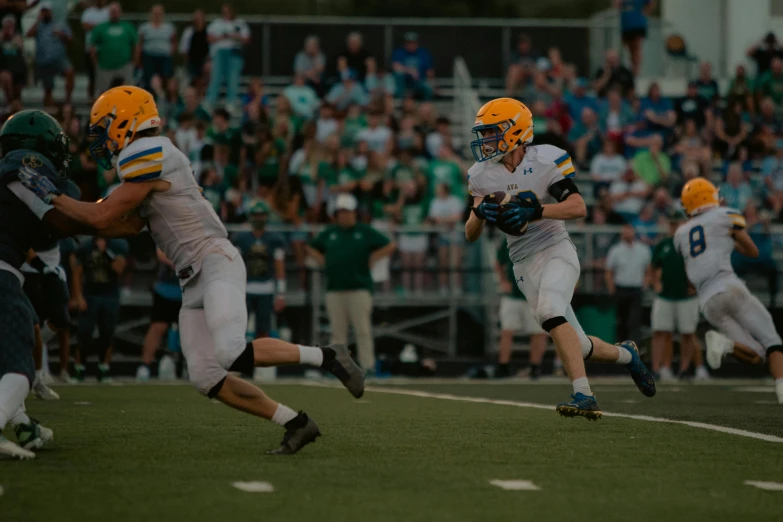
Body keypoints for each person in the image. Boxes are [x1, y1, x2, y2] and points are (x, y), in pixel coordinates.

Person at [18, 87, 366, 455]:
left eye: (104, 126)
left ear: (125, 120)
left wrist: (51, 197)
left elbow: (103, 215)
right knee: (206, 376)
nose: (101, 138)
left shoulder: (144, 150)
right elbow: (122, 225)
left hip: (214, 259)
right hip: (192, 278)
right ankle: (296, 423)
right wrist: (60, 217)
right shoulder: (146, 159)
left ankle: (328, 356)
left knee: (230, 351)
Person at [466, 97, 656, 420]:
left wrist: (537, 211)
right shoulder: (482, 174)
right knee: (578, 346)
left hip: (556, 248)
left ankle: (584, 395)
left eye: (492, 132)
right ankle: (628, 355)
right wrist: (479, 215)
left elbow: (579, 207)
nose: (486, 141)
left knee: (551, 310)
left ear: (515, 131)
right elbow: (470, 234)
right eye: (484, 134)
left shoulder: (545, 160)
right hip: (523, 262)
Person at [0, 110, 100, 459]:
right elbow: (65, 221)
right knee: (21, 366)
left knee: (13, 343)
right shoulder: (24, 170)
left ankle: (22, 423)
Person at [675, 178, 783, 405]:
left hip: (707, 302)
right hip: (729, 287)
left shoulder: (681, 233)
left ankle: (726, 345)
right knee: (773, 343)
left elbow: (691, 279)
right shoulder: (725, 215)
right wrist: (733, 241)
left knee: (757, 356)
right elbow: (752, 251)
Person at [308, 194, 396, 372]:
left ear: (354, 213)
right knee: (337, 333)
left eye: (346, 212)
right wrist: (322, 260)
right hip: (335, 289)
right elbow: (310, 246)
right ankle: (339, 368)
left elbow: (389, 245)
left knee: (362, 330)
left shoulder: (364, 231)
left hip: (359, 288)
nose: (343, 215)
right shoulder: (330, 233)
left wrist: (374, 257)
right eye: (340, 212)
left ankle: (368, 366)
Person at [650, 211, 708, 381]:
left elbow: (703, 266)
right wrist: (656, 283)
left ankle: (684, 368)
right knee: (661, 331)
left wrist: (696, 285)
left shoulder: (692, 245)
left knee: (687, 333)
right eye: (672, 223)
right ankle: (659, 368)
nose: (674, 227)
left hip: (687, 296)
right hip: (665, 294)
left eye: (677, 223)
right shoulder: (664, 244)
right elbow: (653, 266)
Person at [71, 235, 128, 382]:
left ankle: (104, 368)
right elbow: (77, 273)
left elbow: (119, 268)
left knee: (107, 333)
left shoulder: (118, 244)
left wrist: (106, 252)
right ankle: (79, 368)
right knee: (84, 332)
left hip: (110, 295)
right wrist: (78, 296)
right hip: (90, 294)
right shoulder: (85, 247)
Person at [231, 201, 286, 338]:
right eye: (256, 215)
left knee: (263, 330)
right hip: (245, 288)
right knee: (239, 328)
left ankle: (262, 358)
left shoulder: (274, 239)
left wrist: (281, 294)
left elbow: (279, 266)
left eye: (262, 215)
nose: (259, 218)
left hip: (266, 288)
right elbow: (234, 266)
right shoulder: (241, 238)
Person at [495, 241, 549, 379]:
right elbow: (498, 262)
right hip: (513, 295)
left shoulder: (541, 239)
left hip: (533, 295)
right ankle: (503, 366)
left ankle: (535, 367)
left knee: (538, 333)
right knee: (507, 330)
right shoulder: (509, 239)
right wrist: (503, 281)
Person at [136, 249, 182, 381]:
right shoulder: (167, 231)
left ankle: (194, 367)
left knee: (192, 330)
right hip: (165, 289)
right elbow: (160, 252)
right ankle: (145, 366)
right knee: (158, 327)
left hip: (189, 290)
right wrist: (179, 263)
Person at [605, 224, 652, 343]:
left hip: (636, 288)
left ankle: (634, 347)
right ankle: (621, 347)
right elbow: (609, 271)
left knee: (634, 320)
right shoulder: (616, 250)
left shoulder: (643, 249)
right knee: (621, 320)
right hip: (621, 288)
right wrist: (611, 288)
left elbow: (648, 269)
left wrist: (645, 283)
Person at [206, 3, 250, 112]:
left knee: (233, 78)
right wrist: (223, 37)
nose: (226, 13)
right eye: (224, 11)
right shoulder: (217, 23)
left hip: (234, 52)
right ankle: (210, 102)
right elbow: (209, 38)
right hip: (220, 52)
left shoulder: (240, 23)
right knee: (216, 78)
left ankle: (231, 103)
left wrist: (234, 36)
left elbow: (246, 39)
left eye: (228, 11)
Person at [27, 2, 73, 106]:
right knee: (48, 88)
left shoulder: (60, 24)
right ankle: (49, 105)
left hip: (59, 58)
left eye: (46, 11)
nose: (45, 14)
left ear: (51, 12)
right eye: (43, 11)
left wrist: (61, 35)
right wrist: (38, 21)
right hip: (44, 60)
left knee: (70, 72)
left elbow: (71, 39)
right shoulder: (38, 26)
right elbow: (28, 34)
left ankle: (67, 100)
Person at [91, 3, 138, 94]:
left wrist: (134, 62)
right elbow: (92, 46)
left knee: (128, 92)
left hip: (124, 65)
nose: (114, 14)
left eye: (116, 12)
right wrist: (96, 63)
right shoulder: (100, 28)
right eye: (112, 12)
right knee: (104, 93)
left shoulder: (128, 27)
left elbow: (136, 45)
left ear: (120, 13)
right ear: (109, 13)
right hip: (105, 66)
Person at [137, 4, 176, 90]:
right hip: (149, 56)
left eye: (159, 13)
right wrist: (139, 59)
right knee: (148, 78)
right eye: (155, 13)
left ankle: (165, 97)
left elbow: (174, 42)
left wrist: (171, 53)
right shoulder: (144, 27)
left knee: (166, 77)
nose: (157, 15)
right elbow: (140, 43)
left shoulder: (169, 27)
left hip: (164, 57)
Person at [80, 0, 110, 100]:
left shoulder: (108, 12)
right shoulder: (88, 12)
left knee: (105, 75)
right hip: (91, 49)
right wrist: (101, 27)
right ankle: (91, 97)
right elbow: (85, 26)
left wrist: (95, 26)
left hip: (105, 50)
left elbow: (110, 26)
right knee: (92, 75)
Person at [391, 31, 434, 100]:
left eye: (414, 42)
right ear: (405, 43)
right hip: (404, 83)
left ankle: (426, 107)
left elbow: (429, 71)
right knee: (398, 74)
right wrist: (410, 71)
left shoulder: (423, 53)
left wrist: (431, 82)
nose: (411, 44)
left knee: (427, 88)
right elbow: (395, 66)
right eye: (409, 42)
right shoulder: (399, 52)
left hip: (418, 82)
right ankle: (400, 102)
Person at [616, 0, 654, 76]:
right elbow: (616, 6)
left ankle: (636, 70)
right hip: (626, 26)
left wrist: (645, 13)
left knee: (637, 47)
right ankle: (633, 68)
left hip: (638, 24)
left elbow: (650, 3)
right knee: (630, 48)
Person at [178, 9, 209, 89]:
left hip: (204, 60)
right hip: (192, 60)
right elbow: (183, 49)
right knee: (194, 79)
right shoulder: (189, 31)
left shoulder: (208, 31)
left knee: (204, 77)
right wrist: (187, 61)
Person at [0, 15, 25, 104]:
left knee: (17, 91)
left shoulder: (17, 37)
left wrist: (11, 36)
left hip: (17, 68)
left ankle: (16, 103)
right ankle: (9, 101)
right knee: (6, 78)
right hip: (4, 67)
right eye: (6, 26)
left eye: (10, 26)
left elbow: (21, 48)